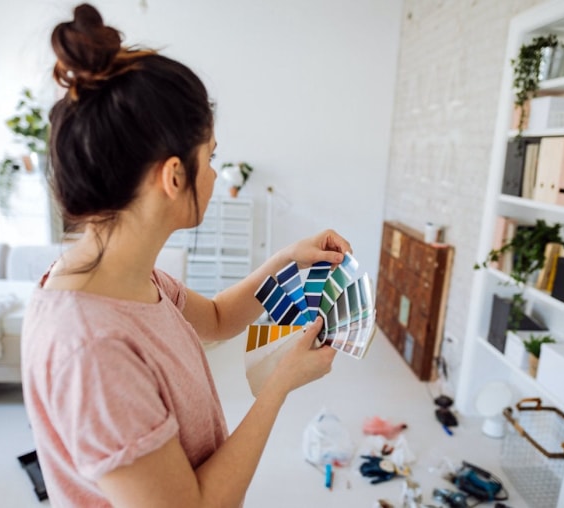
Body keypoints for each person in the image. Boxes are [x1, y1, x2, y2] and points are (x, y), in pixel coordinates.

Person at [21, 4, 352, 507]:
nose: (216, 175)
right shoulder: (91, 351)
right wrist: (278, 385)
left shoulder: (122, 276)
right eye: (211, 157)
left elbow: (217, 319)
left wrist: (289, 260)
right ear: (174, 177)